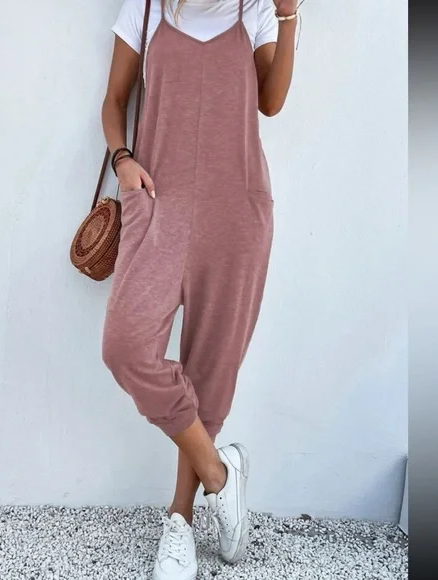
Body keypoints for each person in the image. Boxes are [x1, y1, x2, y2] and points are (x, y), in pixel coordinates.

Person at [101, 0, 298, 578]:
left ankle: (180, 521)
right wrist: (122, 160)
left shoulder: (255, 12)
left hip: (235, 209)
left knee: (210, 370)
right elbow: (113, 100)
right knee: (125, 347)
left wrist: (289, 18)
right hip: (157, 202)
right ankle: (220, 474)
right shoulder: (145, 9)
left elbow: (271, 102)